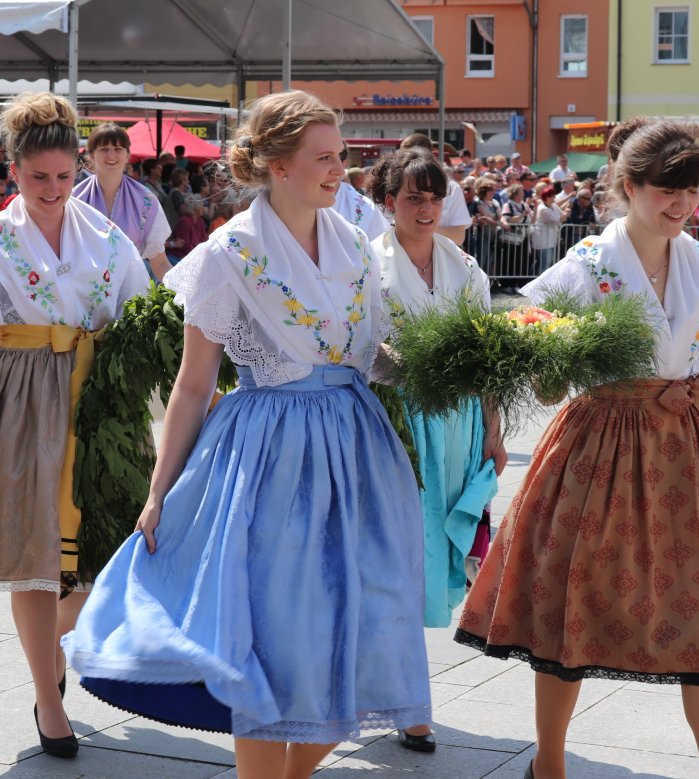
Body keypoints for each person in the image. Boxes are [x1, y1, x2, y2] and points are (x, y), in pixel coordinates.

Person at [63, 89, 431, 779]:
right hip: (269, 459)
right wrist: (158, 490)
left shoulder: (355, 243)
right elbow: (194, 384)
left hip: (357, 454)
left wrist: (443, 363)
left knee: (362, 635)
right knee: (264, 645)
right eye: (323, 158)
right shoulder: (228, 254)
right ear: (276, 165)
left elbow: (371, 356)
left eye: (340, 156)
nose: (338, 170)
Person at [455, 118, 699, 779]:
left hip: (686, 450)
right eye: (665, 190)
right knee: (571, 613)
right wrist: (551, 353)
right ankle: (550, 763)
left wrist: (694, 387)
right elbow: (542, 385)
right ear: (629, 186)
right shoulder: (586, 265)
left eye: (690, 189)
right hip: (600, 444)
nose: (680, 204)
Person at [0, 92, 149, 759]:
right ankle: (48, 697)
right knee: (35, 560)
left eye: (63, 176)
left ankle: (52, 652)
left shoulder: (108, 237)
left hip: (97, 395)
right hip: (22, 393)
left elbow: (142, 308)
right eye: (39, 178)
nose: (54, 190)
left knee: (102, 557)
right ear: (14, 173)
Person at [367, 146, 505, 754]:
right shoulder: (364, 265)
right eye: (412, 197)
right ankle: (408, 699)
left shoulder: (465, 268)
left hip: (458, 426)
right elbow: (356, 351)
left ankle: (394, 691)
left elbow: (485, 361)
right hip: (395, 423)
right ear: (387, 201)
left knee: (431, 559)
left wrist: (495, 432)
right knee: (399, 558)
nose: (426, 209)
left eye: (434, 196)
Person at [73, 123, 173, 281]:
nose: (111, 155)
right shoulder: (75, 200)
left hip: (132, 295)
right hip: (86, 293)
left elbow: (159, 262)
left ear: (127, 155)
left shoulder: (146, 200)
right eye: (104, 149)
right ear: (91, 155)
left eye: (118, 149)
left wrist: (183, 295)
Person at [400, 133, 471, 245]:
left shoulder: (451, 188)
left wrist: (422, 226)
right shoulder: (394, 185)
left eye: (437, 198)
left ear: (428, 154)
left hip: (439, 258)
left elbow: (459, 237)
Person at [531, 185, 568, 274]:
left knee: (547, 263)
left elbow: (563, 216)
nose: (554, 197)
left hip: (550, 240)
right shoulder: (542, 209)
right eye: (552, 196)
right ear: (547, 197)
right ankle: (538, 284)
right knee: (544, 263)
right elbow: (556, 220)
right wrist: (566, 212)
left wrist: (563, 215)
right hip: (543, 241)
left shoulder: (553, 205)